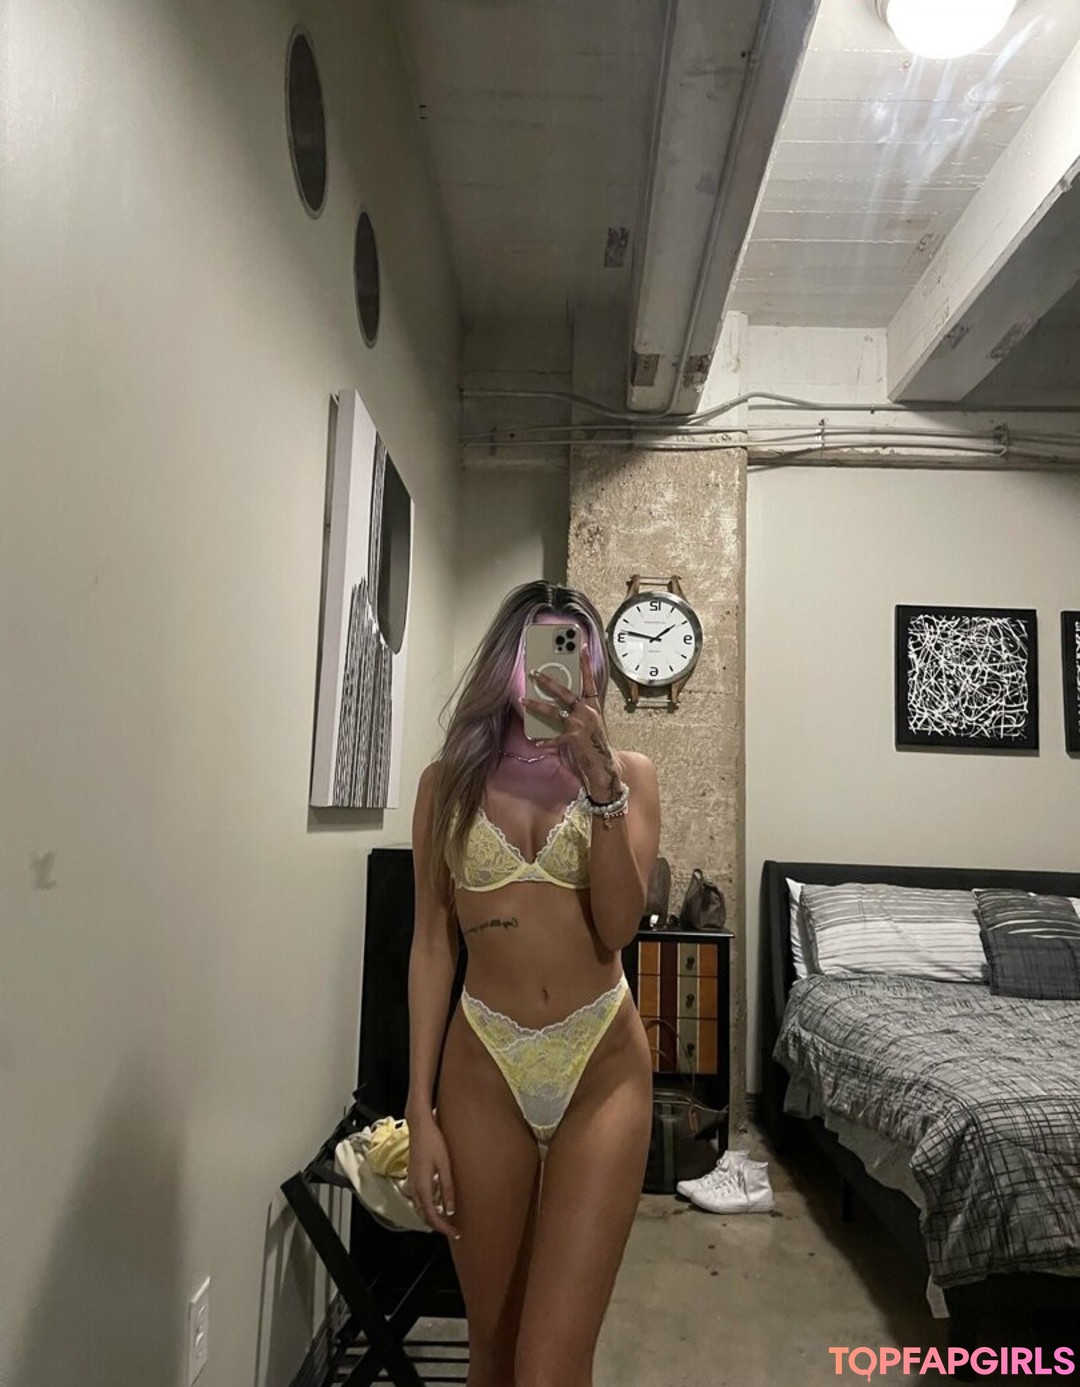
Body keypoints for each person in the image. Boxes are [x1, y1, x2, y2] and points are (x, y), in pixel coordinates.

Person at [405, 581, 661, 1387]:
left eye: (576, 648)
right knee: (493, 1350)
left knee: (550, 1365)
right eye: (543, 647)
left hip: (601, 1066)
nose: (559, 667)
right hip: (484, 1063)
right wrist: (418, 1108)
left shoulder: (629, 775)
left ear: (595, 668)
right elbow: (432, 944)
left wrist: (602, 787)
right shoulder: (446, 784)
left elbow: (618, 927)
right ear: (507, 662)